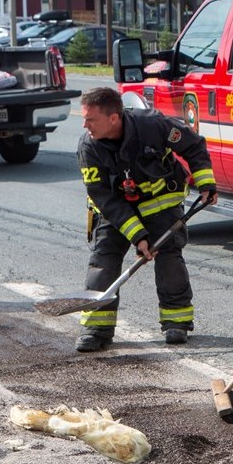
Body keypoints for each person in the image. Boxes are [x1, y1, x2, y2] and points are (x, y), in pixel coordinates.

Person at [75, 87, 216, 353]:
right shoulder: (88, 146)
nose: (85, 125)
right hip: (114, 212)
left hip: (160, 205)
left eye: (90, 119)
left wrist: (206, 183)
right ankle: (96, 329)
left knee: (169, 256)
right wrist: (138, 236)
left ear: (114, 118)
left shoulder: (154, 126)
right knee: (103, 259)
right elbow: (104, 198)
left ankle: (177, 323)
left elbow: (194, 145)